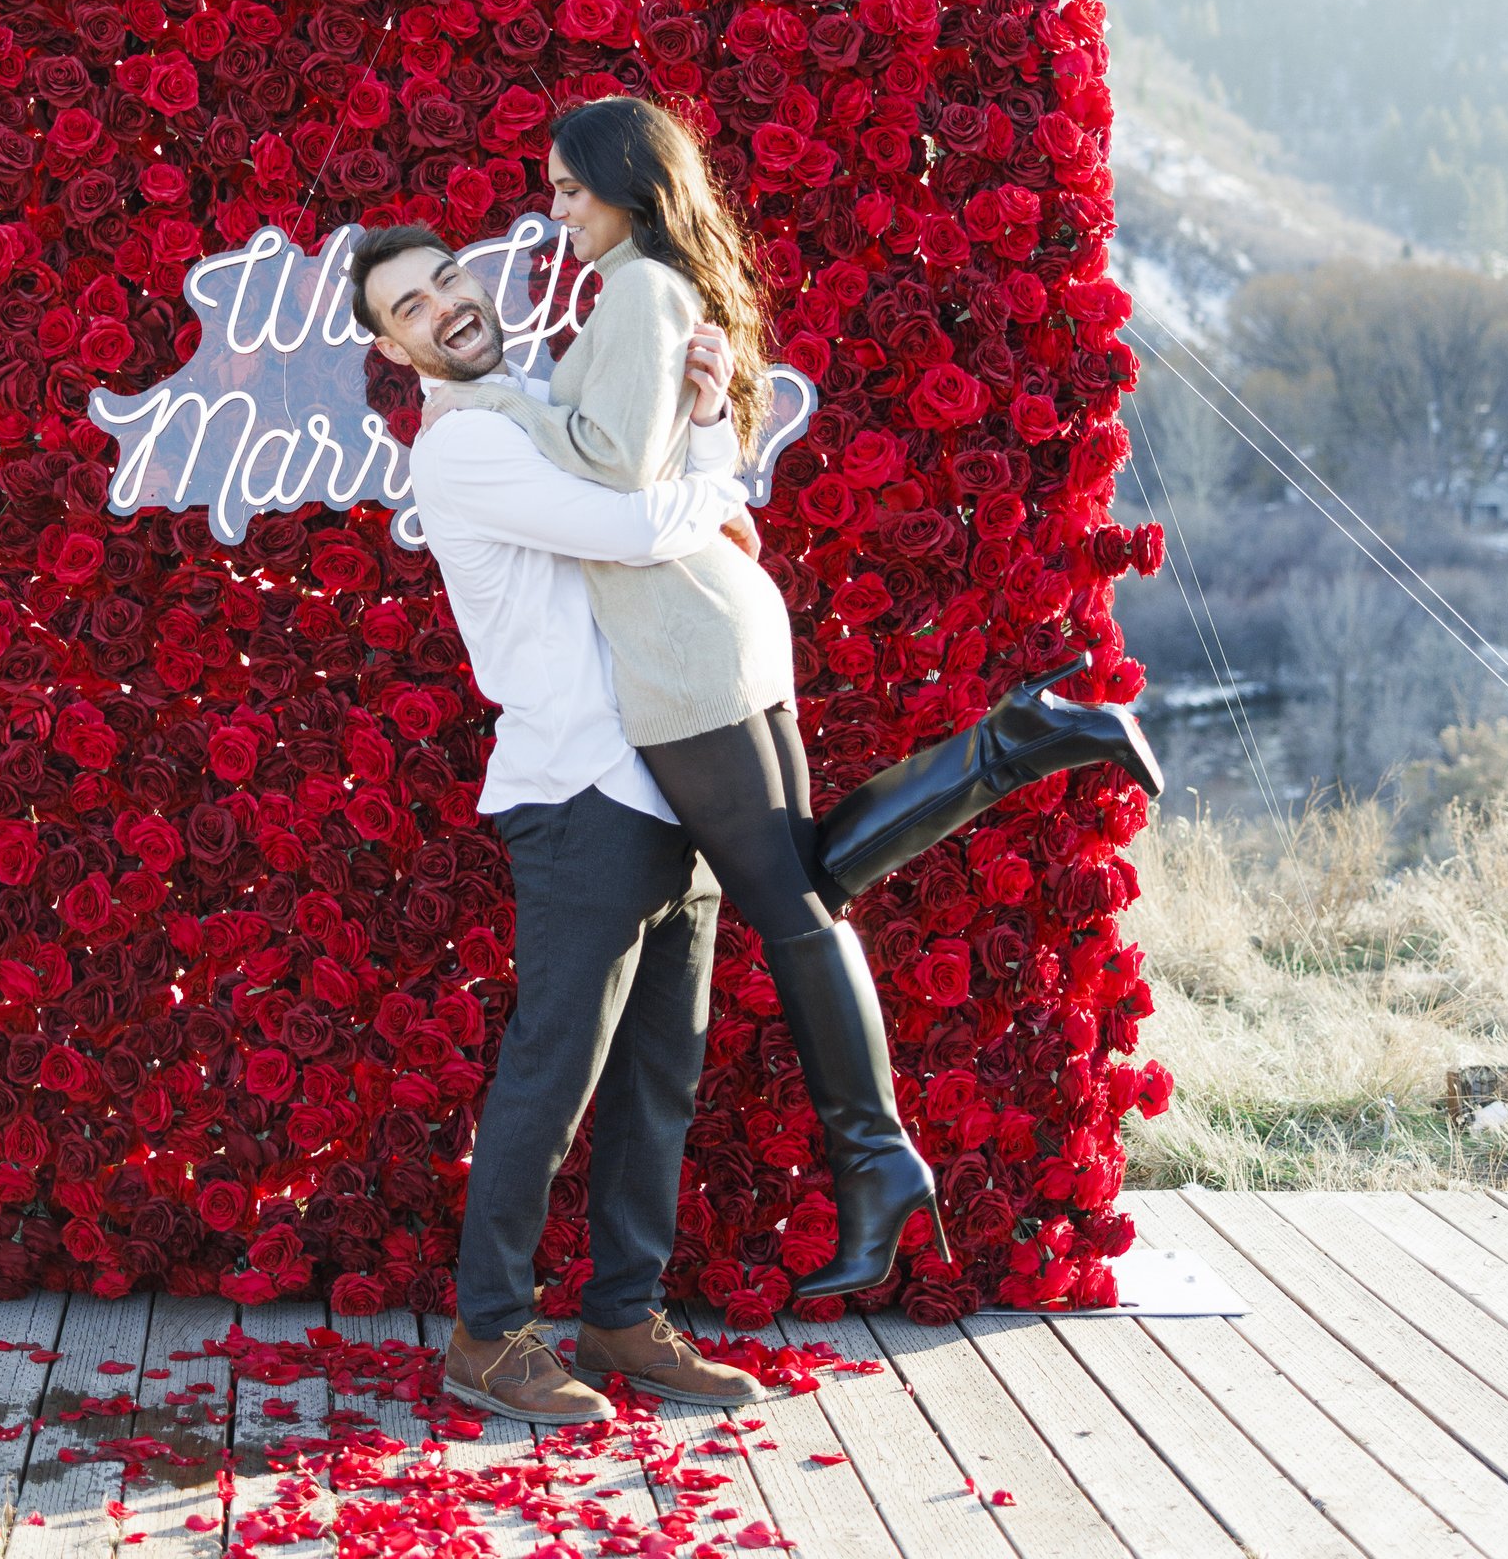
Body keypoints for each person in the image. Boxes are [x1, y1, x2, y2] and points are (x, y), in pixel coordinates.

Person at [406, 95, 1162, 1303]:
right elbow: (633, 451)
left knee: (797, 906)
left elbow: (615, 471)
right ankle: (1016, 744)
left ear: (623, 184)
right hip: (713, 619)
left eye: (564, 186)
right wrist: (673, 425)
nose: (550, 210)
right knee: (805, 882)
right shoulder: (646, 294)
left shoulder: (639, 290)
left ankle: (878, 1161)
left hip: (684, 642)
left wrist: (521, 411)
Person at [351, 222, 765, 1422]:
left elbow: (672, 504)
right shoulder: (468, 443)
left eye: (449, 282)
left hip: (668, 770)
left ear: (480, 284)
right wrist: (707, 488)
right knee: (555, 1069)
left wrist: (700, 416)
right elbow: (642, 529)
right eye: (411, 307)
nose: (443, 308)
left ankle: (624, 1314)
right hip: (579, 785)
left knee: (657, 1073)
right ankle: (486, 1332)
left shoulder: (538, 403)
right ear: (393, 347)